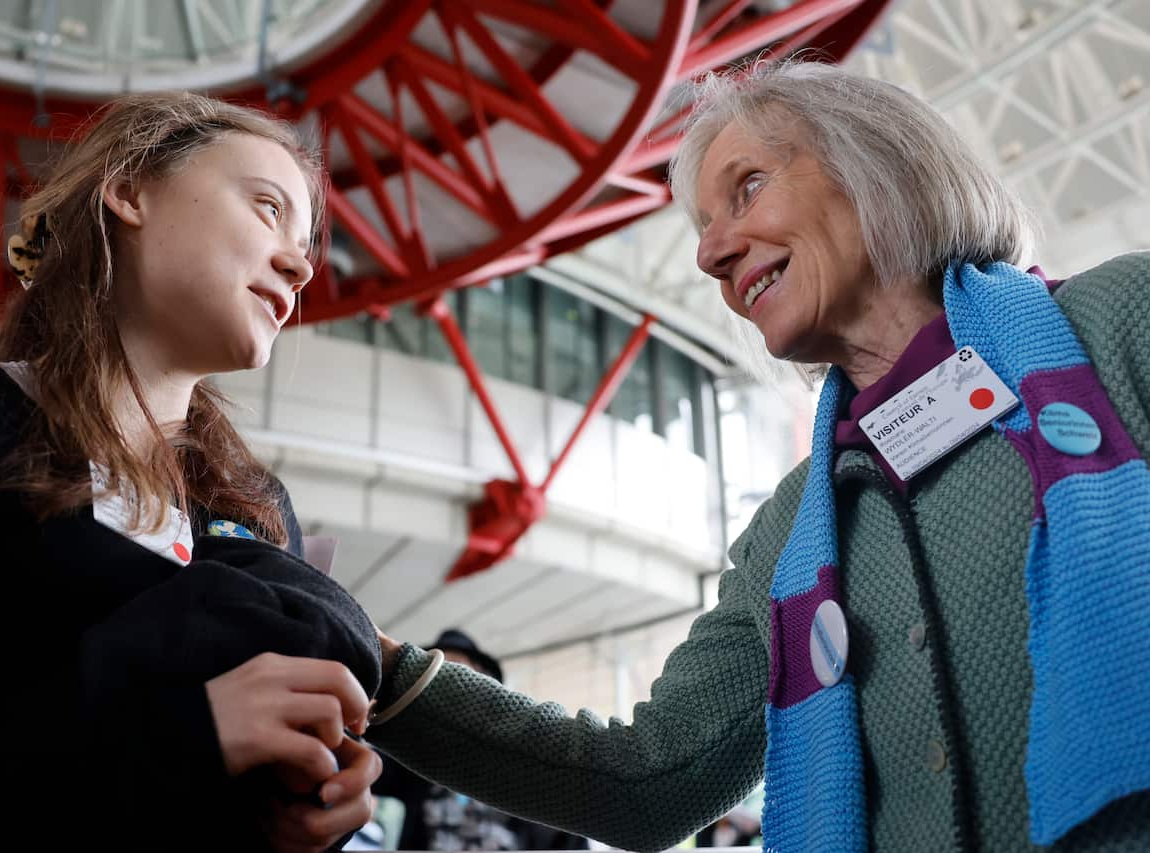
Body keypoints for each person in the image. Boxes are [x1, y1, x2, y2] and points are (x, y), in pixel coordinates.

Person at [362, 60, 1150, 851]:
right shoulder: (789, 531)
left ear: (879, 167)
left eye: (746, 188)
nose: (709, 254)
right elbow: (649, 779)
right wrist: (368, 659)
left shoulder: (1122, 324)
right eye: (703, 225)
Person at [0, 92, 384, 851]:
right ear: (129, 189)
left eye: (306, 242)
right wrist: (184, 728)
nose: (301, 264)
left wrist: (307, 804)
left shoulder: (265, 516)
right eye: (267, 208)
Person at [372, 630, 589, 851]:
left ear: (480, 686)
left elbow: (568, 833)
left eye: (457, 674)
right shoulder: (415, 760)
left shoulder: (518, 761)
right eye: (434, 677)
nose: (443, 688)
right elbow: (369, 768)